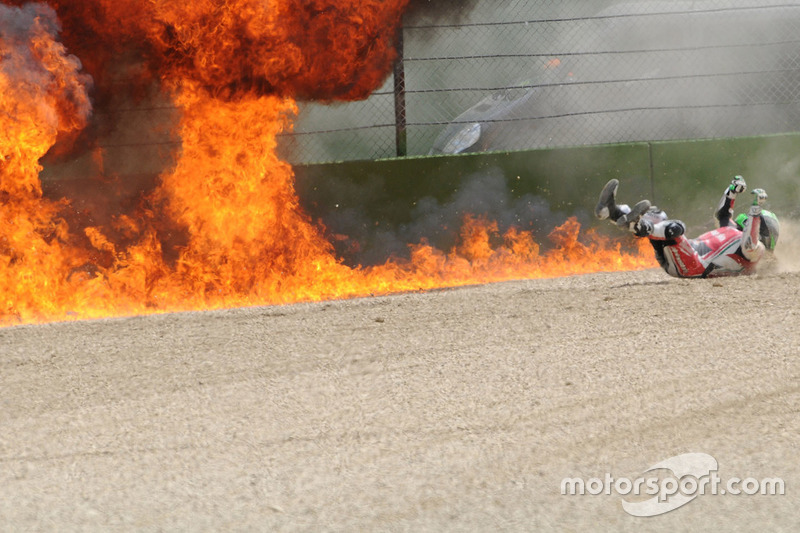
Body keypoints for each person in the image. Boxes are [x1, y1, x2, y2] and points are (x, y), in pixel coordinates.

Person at [595, 176, 780, 278]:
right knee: (658, 215)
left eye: (755, 220)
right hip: (682, 255)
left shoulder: (756, 253)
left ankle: (638, 225)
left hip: (694, 266)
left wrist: (756, 209)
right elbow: (723, 214)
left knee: (676, 228)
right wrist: (732, 191)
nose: (748, 219)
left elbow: (750, 244)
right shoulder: (732, 230)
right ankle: (611, 212)